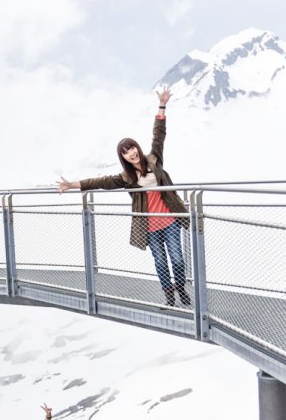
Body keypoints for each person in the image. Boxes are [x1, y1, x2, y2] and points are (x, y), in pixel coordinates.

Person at [56, 88, 191, 307]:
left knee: (177, 259)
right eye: (126, 152)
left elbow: (159, 135)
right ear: (124, 157)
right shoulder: (126, 177)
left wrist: (162, 106)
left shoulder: (154, 159)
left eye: (132, 148)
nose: (132, 153)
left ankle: (181, 288)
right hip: (149, 225)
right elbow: (99, 182)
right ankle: (169, 295)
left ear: (137, 148)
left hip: (170, 219)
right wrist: (72, 185)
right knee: (160, 262)